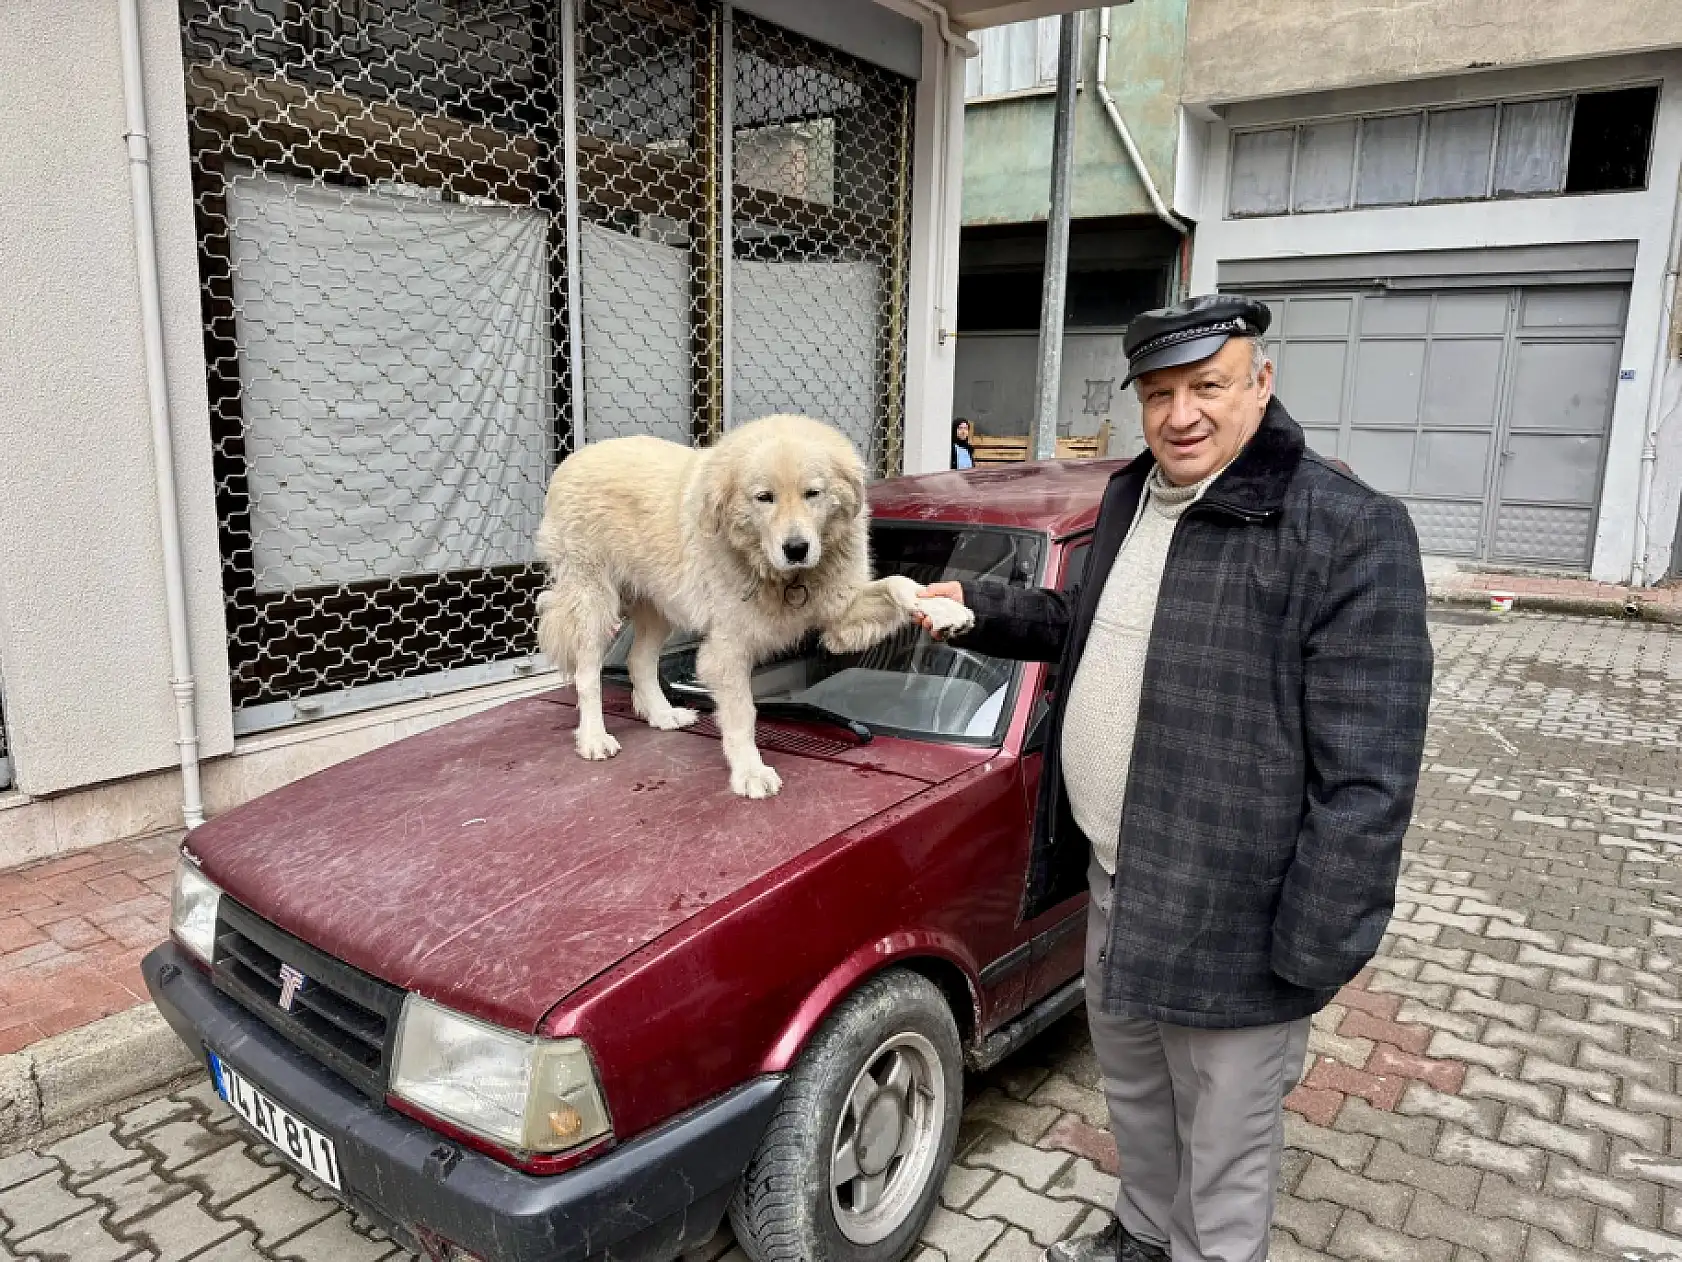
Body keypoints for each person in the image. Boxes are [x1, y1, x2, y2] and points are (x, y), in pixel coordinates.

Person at [914, 294, 1433, 1262]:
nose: (1181, 414)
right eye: (1158, 394)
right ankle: (1144, 1233)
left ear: (1261, 382)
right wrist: (978, 608)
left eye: (1207, 386)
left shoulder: (1343, 529)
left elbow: (1367, 779)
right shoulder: (1132, 497)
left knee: (1226, 1141)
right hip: (1116, 881)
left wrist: (1312, 947)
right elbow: (1085, 626)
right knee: (1138, 1094)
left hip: (1240, 919)